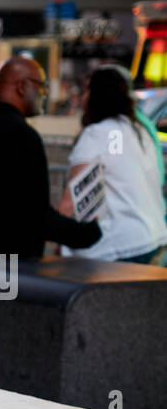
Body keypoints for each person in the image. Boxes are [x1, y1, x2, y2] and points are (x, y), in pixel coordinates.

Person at [0, 55, 100, 260]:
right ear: (22, 86)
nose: (44, 93)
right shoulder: (23, 137)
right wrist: (86, 234)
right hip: (9, 269)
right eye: (41, 86)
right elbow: (36, 215)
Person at [57, 68, 167, 263]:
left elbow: (72, 200)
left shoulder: (98, 134)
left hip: (117, 246)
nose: (82, 98)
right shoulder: (139, 130)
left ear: (97, 95)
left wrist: (57, 238)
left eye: (86, 91)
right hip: (152, 237)